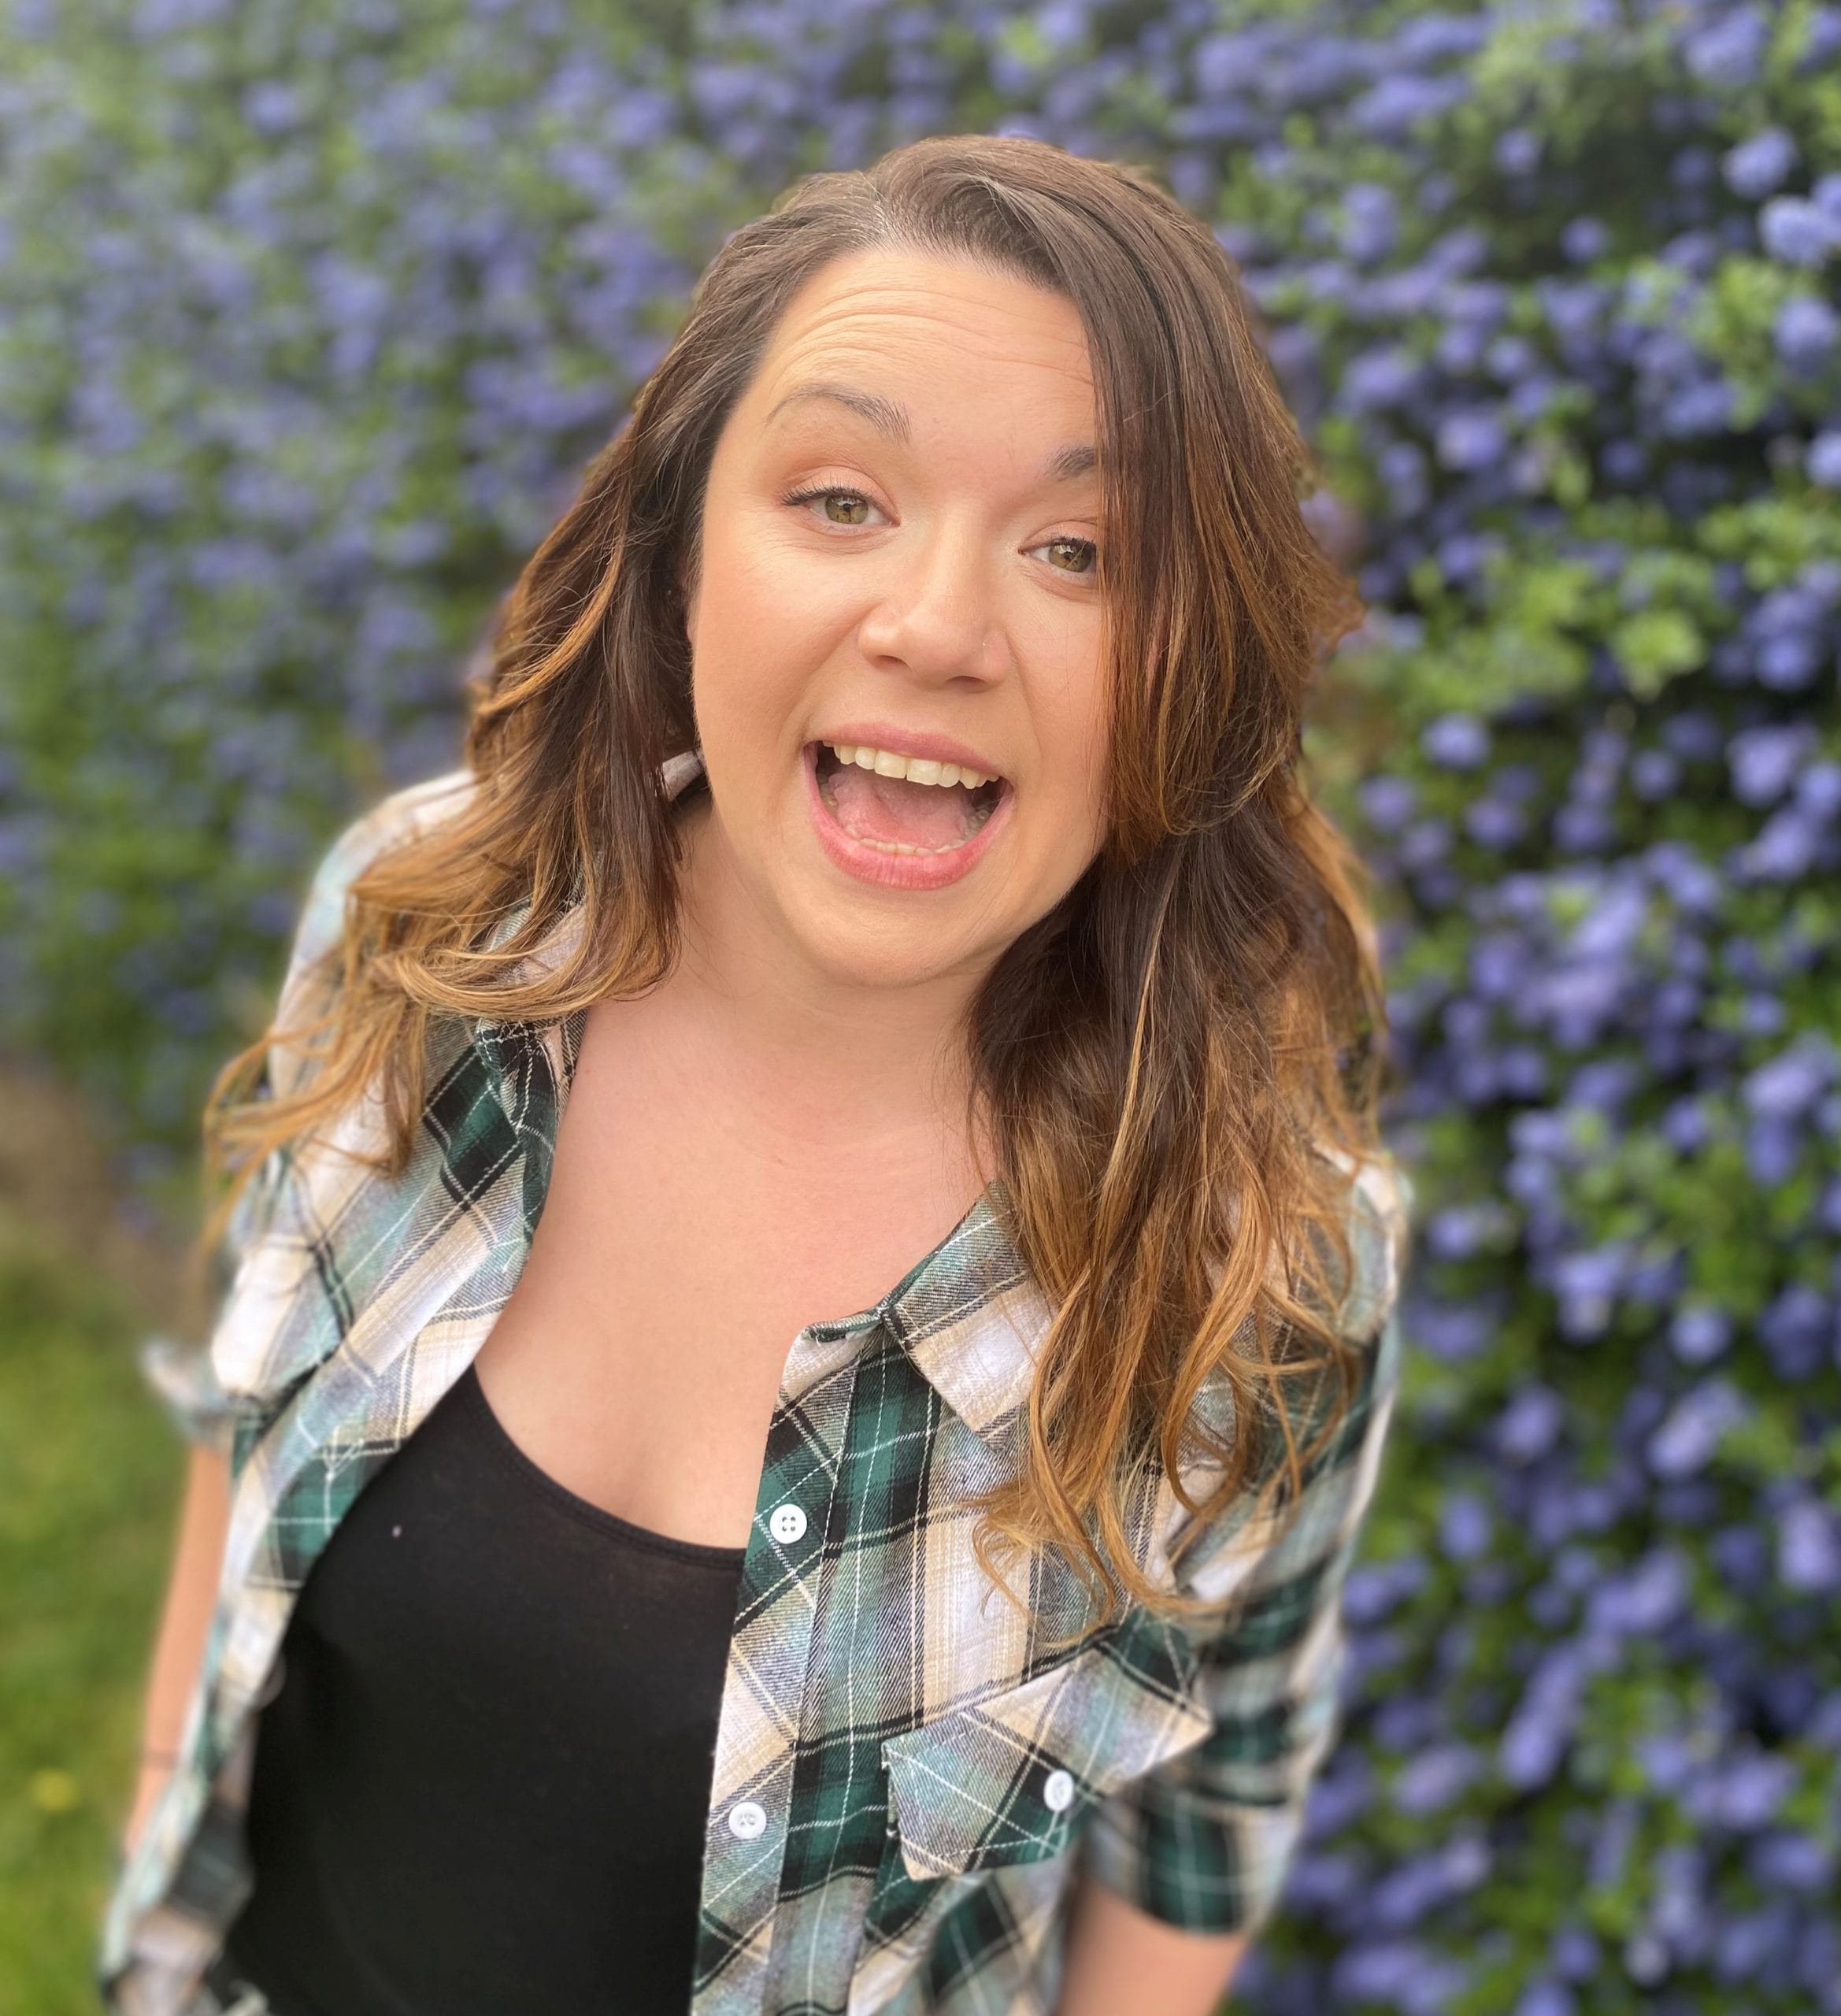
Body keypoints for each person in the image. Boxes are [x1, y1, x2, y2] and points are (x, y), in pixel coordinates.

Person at [99, 132, 1410, 2016]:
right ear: (684, 554)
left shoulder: (1263, 1273)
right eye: (840, 499)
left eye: (1078, 552)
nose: (939, 628)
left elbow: (1207, 1814)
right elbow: (249, 1439)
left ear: (1189, 669)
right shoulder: (422, 928)